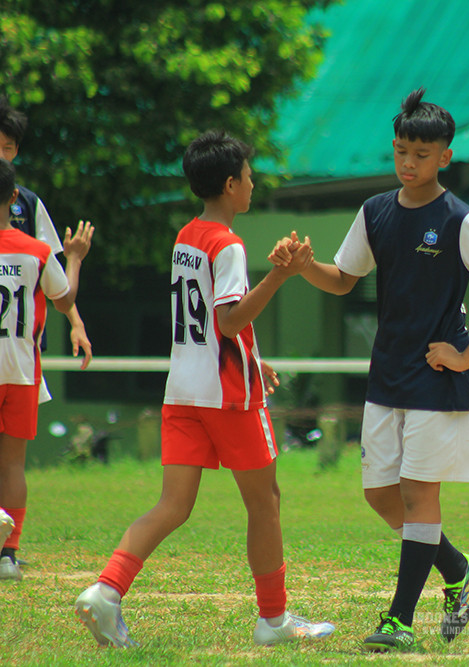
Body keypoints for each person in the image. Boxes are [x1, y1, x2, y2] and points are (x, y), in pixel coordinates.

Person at [269, 89, 469, 652]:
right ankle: (459, 571)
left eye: (422, 154)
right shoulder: (375, 211)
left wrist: (467, 355)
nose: (410, 163)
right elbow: (343, 279)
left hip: (437, 377)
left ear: (445, 158)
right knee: (381, 495)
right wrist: (305, 267)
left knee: (415, 495)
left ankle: (399, 620)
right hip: (386, 375)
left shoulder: (460, 219)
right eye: (402, 151)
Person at [74, 130, 333, 647]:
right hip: (228, 397)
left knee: (173, 506)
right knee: (266, 502)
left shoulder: (186, 236)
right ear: (231, 183)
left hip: (183, 390)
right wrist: (278, 277)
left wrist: (257, 360)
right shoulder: (229, 244)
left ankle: (106, 590)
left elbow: (213, 324)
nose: (254, 186)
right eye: (251, 177)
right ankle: (274, 620)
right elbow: (230, 320)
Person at [0, 98, 93, 580]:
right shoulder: (31, 244)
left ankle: (6, 549)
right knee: (13, 461)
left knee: (11, 461)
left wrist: (74, 322)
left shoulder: (29, 205)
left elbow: (54, 288)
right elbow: (58, 280)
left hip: (21, 350)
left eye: (8, 147)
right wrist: (75, 264)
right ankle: (6, 551)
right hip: (18, 359)